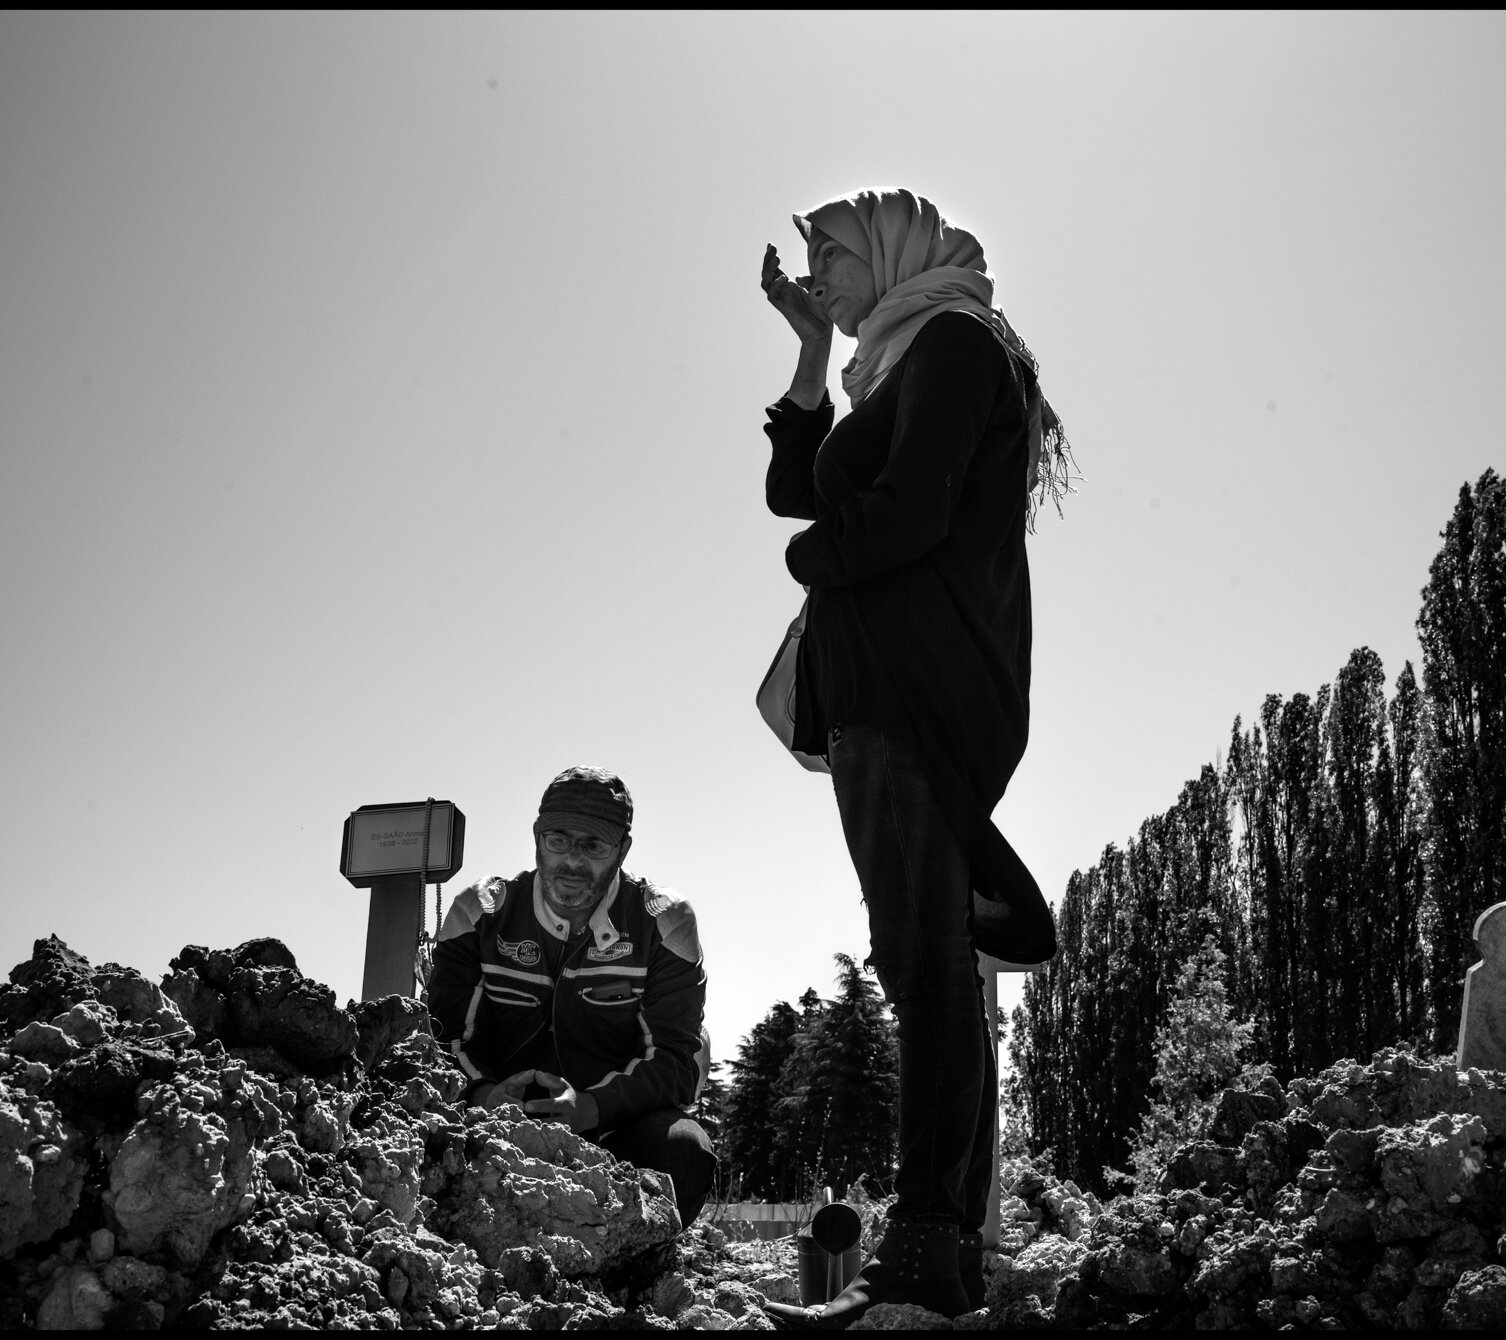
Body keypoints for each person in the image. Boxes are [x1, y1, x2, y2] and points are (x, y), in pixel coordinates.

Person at [756, 188, 1072, 1327]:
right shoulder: (884, 364)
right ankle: (942, 1254)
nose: (821, 278)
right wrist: (806, 350)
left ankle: (925, 1242)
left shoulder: (953, 340)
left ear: (888, 250)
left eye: (830, 259)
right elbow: (796, 482)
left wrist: (809, 559)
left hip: (916, 687)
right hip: (879, 693)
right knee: (925, 958)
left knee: (925, 966)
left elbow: (910, 510)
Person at [424, 765, 716, 1229]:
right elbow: (440, 1038)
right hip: (492, 1125)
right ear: (537, 837)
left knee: (683, 1148)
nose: (573, 862)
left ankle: (631, 1267)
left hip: (613, 1129)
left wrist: (591, 1108)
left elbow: (676, 1061)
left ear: (623, 849)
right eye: (558, 841)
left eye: (594, 846)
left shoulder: (664, 923)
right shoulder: (478, 913)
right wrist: (484, 1093)